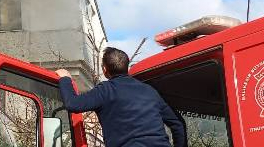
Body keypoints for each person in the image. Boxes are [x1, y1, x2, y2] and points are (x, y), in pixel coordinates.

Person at [55, 47, 186, 147]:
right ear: (126, 67)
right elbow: (178, 124)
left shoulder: (106, 90)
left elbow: (73, 103)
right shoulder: (149, 91)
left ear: (105, 69)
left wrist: (65, 79)